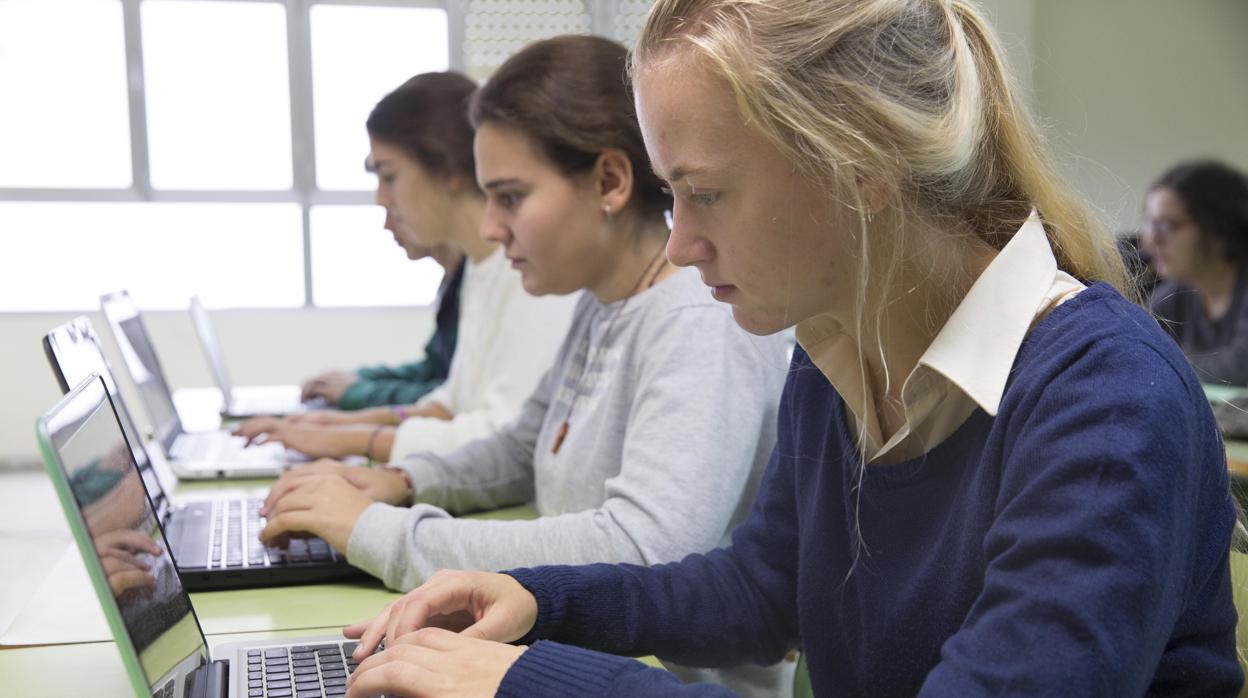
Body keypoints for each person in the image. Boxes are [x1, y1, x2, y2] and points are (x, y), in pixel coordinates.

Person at [335, 1, 1243, 696]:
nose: (680, 244)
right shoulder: (834, 342)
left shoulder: (1107, 400)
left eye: (706, 193)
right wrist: (538, 602)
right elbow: (758, 592)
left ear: (863, 166)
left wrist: (528, 680)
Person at [257, 35, 792, 696]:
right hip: (590, 656)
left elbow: (642, 545)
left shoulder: (697, 318)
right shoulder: (608, 302)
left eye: (510, 197)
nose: (489, 228)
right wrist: (399, 480)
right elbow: (519, 447)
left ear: (609, 182)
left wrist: (383, 534)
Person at [235, 72, 576, 462]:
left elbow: (502, 434)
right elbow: (451, 403)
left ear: (447, 168)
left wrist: (355, 440)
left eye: (389, 176)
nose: (381, 199)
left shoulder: (529, 271)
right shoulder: (482, 270)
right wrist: (337, 425)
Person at [301, 241, 464, 410]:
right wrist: (360, 379)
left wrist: (360, 393)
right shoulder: (456, 281)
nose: (387, 225)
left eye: (396, 214)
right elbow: (435, 368)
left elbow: (458, 395)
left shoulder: (479, 283)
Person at [1145, 160, 1248, 385]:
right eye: (1150, 225)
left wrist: (1168, 365)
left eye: (1167, 226)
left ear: (1218, 229)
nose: (1151, 240)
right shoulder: (1169, 300)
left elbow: (1242, 366)